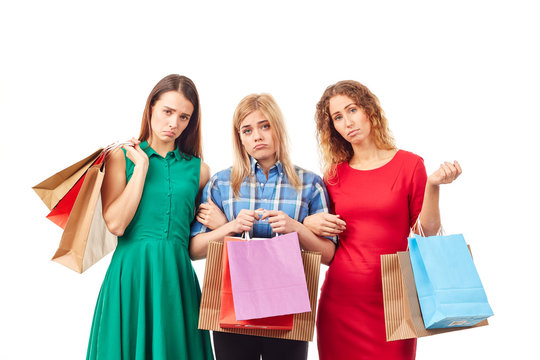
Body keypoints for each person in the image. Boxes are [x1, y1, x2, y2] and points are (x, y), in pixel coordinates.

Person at [303, 80, 462, 360]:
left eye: (352, 110)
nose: (347, 122)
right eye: (338, 117)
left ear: (369, 110)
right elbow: (324, 241)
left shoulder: (410, 165)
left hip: (395, 301)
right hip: (340, 302)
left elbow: (426, 232)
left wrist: (433, 186)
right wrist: (308, 223)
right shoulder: (334, 175)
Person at [189, 93, 336, 360]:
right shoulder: (221, 183)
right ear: (240, 138)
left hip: (288, 307)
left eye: (265, 126)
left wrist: (296, 227)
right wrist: (230, 227)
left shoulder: (310, 184)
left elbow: (328, 255)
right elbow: (195, 249)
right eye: (248, 130)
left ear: (278, 128)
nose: (257, 136)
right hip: (231, 305)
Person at [86, 74, 213, 359]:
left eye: (184, 117)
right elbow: (116, 224)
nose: (174, 124)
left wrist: (221, 224)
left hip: (176, 281)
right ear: (151, 107)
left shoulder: (199, 171)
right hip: (130, 276)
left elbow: (195, 245)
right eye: (168, 111)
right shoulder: (121, 157)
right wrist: (141, 167)